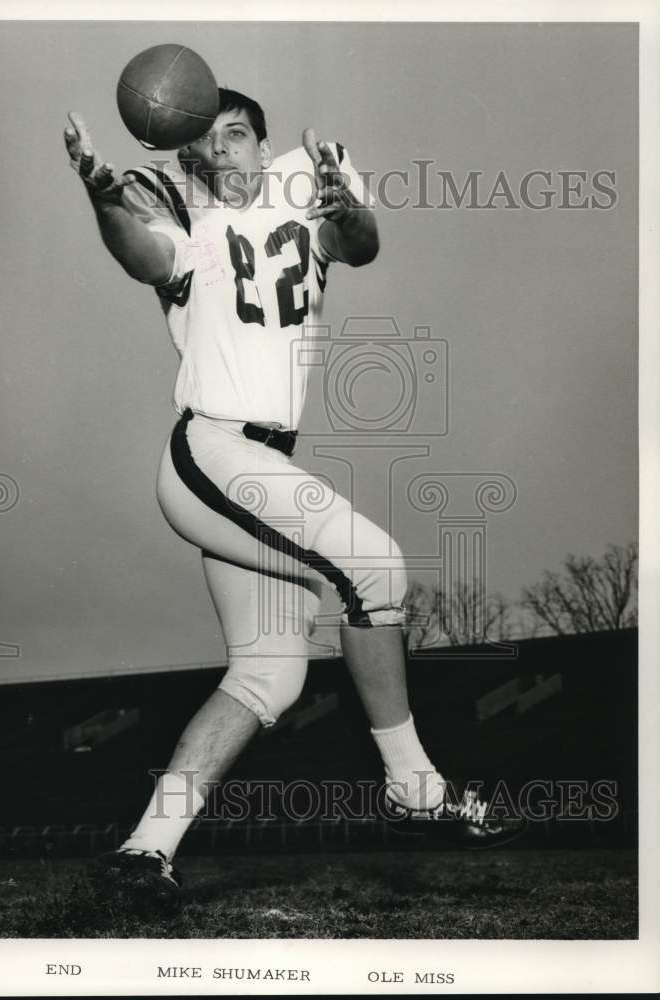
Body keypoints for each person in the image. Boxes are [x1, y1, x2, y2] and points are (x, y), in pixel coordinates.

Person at [63, 88, 524, 913]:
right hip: (214, 449)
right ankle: (414, 785)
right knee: (374, 569)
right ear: (186, 158)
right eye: (202, 144)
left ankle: (144, 850)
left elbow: (362, 244)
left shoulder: (304, 182)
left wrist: (348, 208)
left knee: (268, 673)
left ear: (262, 143)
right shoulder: (183, 216)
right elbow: (142, 255)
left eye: (235, 135)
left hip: (261, 467)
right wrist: (103, 200)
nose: (220, 154)